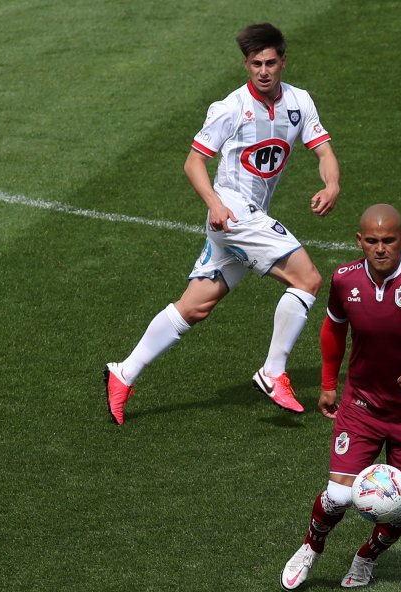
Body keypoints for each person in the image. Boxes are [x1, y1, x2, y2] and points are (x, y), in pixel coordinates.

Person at [103, 23, 340, 424]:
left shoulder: (300, 102)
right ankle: (273, 371)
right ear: (246, 65)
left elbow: (324, 152)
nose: (263, 71)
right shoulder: (230, 107)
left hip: (246, 219)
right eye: (255, 64)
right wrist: (214, 203)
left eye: (270, 63)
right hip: (233, 214)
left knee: (196, 307)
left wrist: (332, 183)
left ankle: (123, 373)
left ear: (283, 61)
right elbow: (193, 161)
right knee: (308, 280)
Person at [279, 204, 401, 591]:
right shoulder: (345, 279)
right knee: (337, 495)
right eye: (372, 241)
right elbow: (333, 330)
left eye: (388, 241)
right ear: (359, 241)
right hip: (362, 405)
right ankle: (311, 548)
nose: (380, 248)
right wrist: (329, 383)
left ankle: (366, 557)